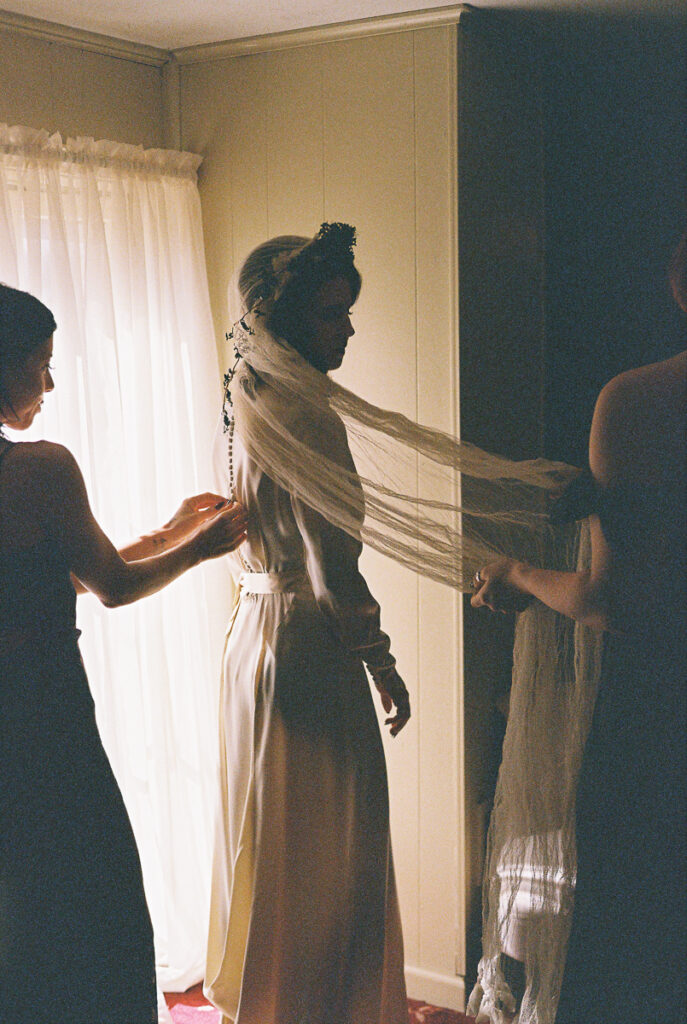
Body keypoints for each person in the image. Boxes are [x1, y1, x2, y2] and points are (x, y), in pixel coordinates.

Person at [0, 283, 248, 1024]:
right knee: (78, 891)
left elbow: (54, 575)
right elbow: (110, 585)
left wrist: (169, 530)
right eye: (40, 363)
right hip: (41, 720)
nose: (50, 382)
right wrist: (202, 548)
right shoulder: (39, 469)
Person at [471, 230, 687, 1024]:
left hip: (664, 710)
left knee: (645, 937)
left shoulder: (641, 402)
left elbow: (614, 599)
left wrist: (518, 573)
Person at [204, 225, 411, 1024]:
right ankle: (327, 1005)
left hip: (252, 633)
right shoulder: (306, 411)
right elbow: (332, 563)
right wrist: (379, 657)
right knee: (333, 844)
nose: (349, 328)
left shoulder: (247, 394)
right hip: (306, 641)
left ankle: (273, 998)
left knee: (278, 833)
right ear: (285, 319)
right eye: (333, 313)